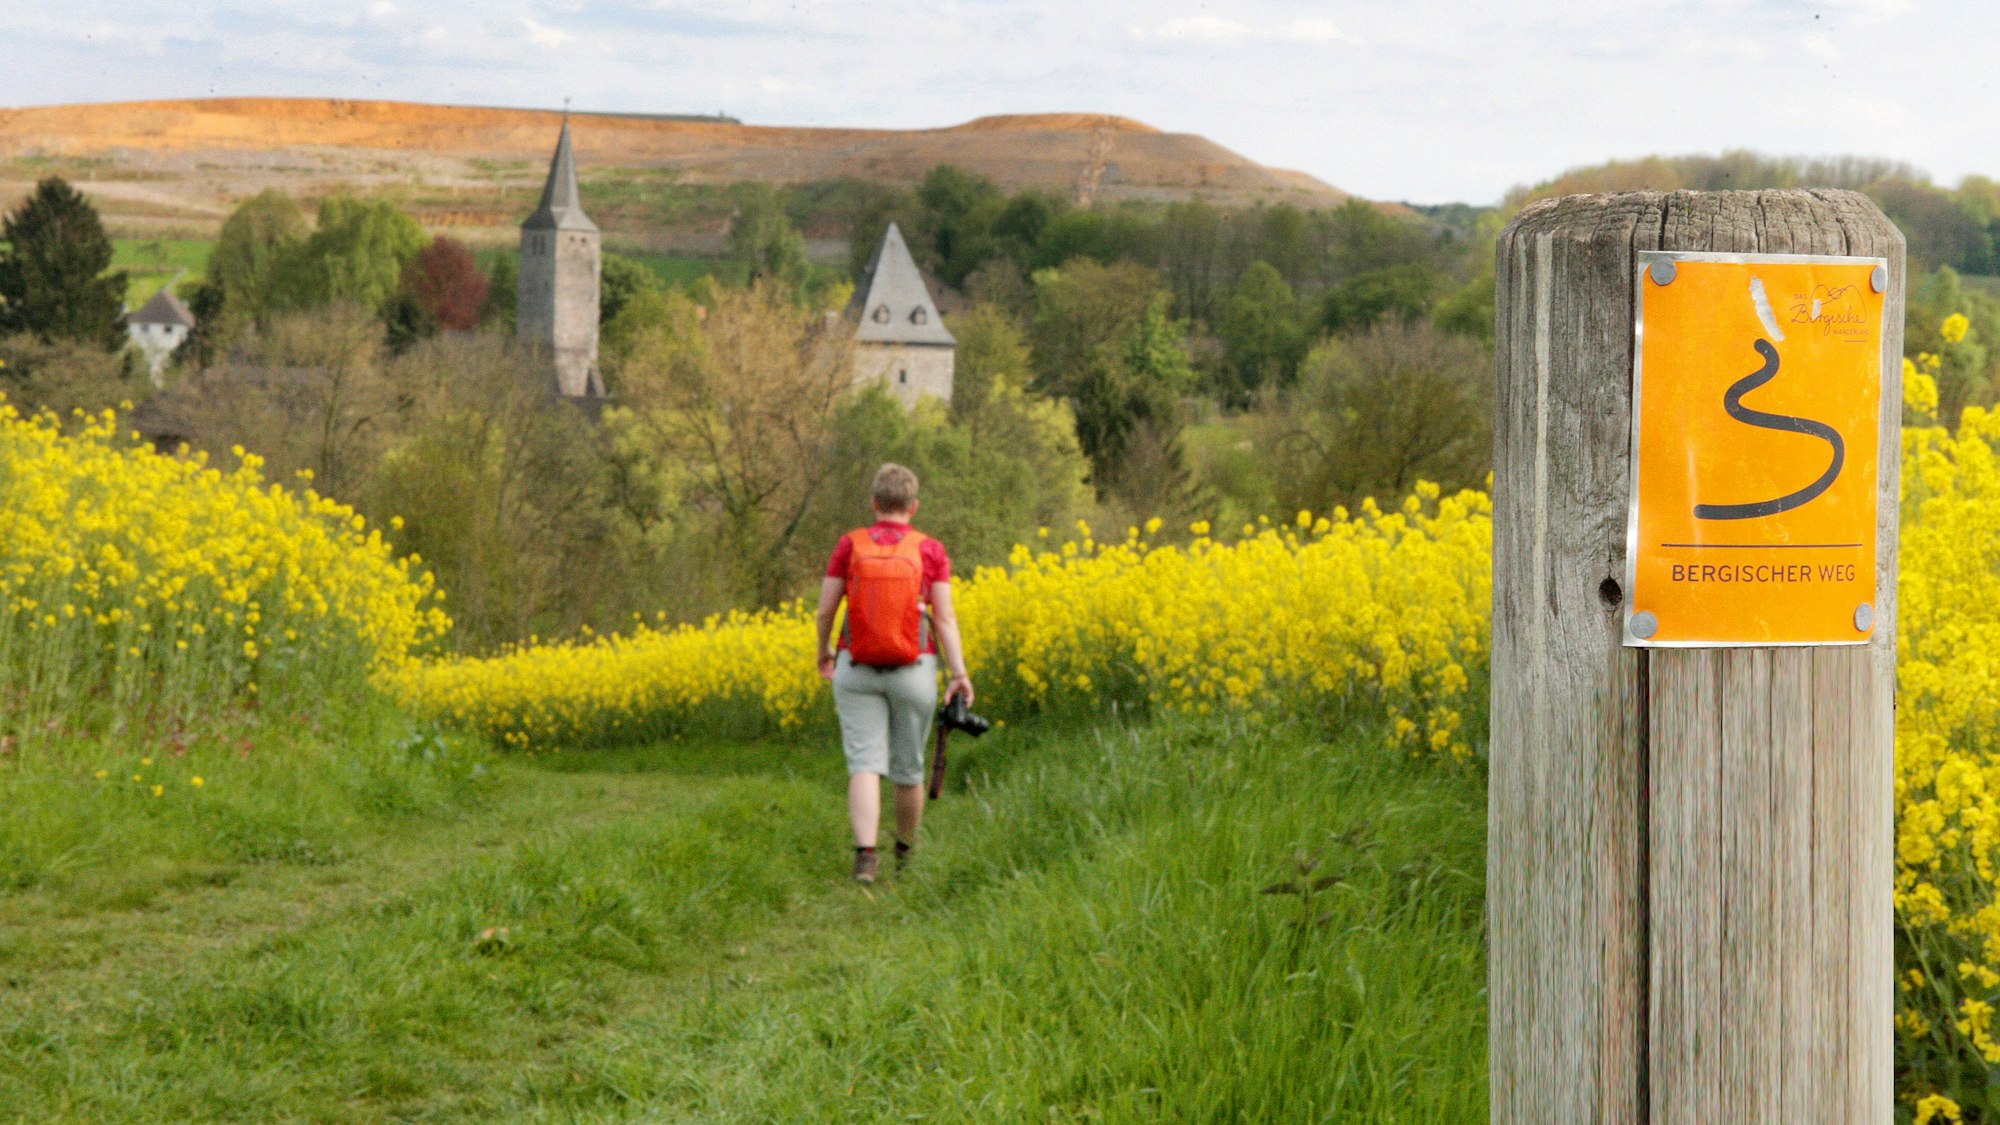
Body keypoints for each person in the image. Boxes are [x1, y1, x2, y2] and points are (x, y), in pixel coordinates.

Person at [815, 463, 974, 884]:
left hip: (857, 667)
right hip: (915, 669)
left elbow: (826, 609)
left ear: (874, 503)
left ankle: (866, 857)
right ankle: (905, 855)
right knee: (909, 768)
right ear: (914, 506)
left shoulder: (850, 545)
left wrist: (824, 652)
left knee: (864, 763)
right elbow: (945, 618)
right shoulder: (930, 550)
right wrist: (959, 673)